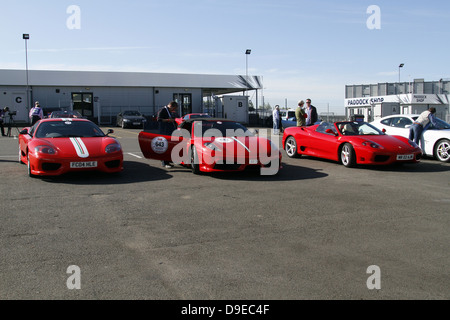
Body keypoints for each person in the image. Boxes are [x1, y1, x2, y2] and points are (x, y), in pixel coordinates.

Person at [157, 101, 179, 168]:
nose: (174, 110)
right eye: (174, 108)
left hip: (169, 131)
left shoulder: (169, 111)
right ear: (171, 106)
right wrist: (168, 120)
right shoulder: (163, 110)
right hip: (164, 131)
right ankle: (165, 163)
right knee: (165, 146)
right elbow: (159, 119)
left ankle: (167, 161)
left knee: (169, 146)